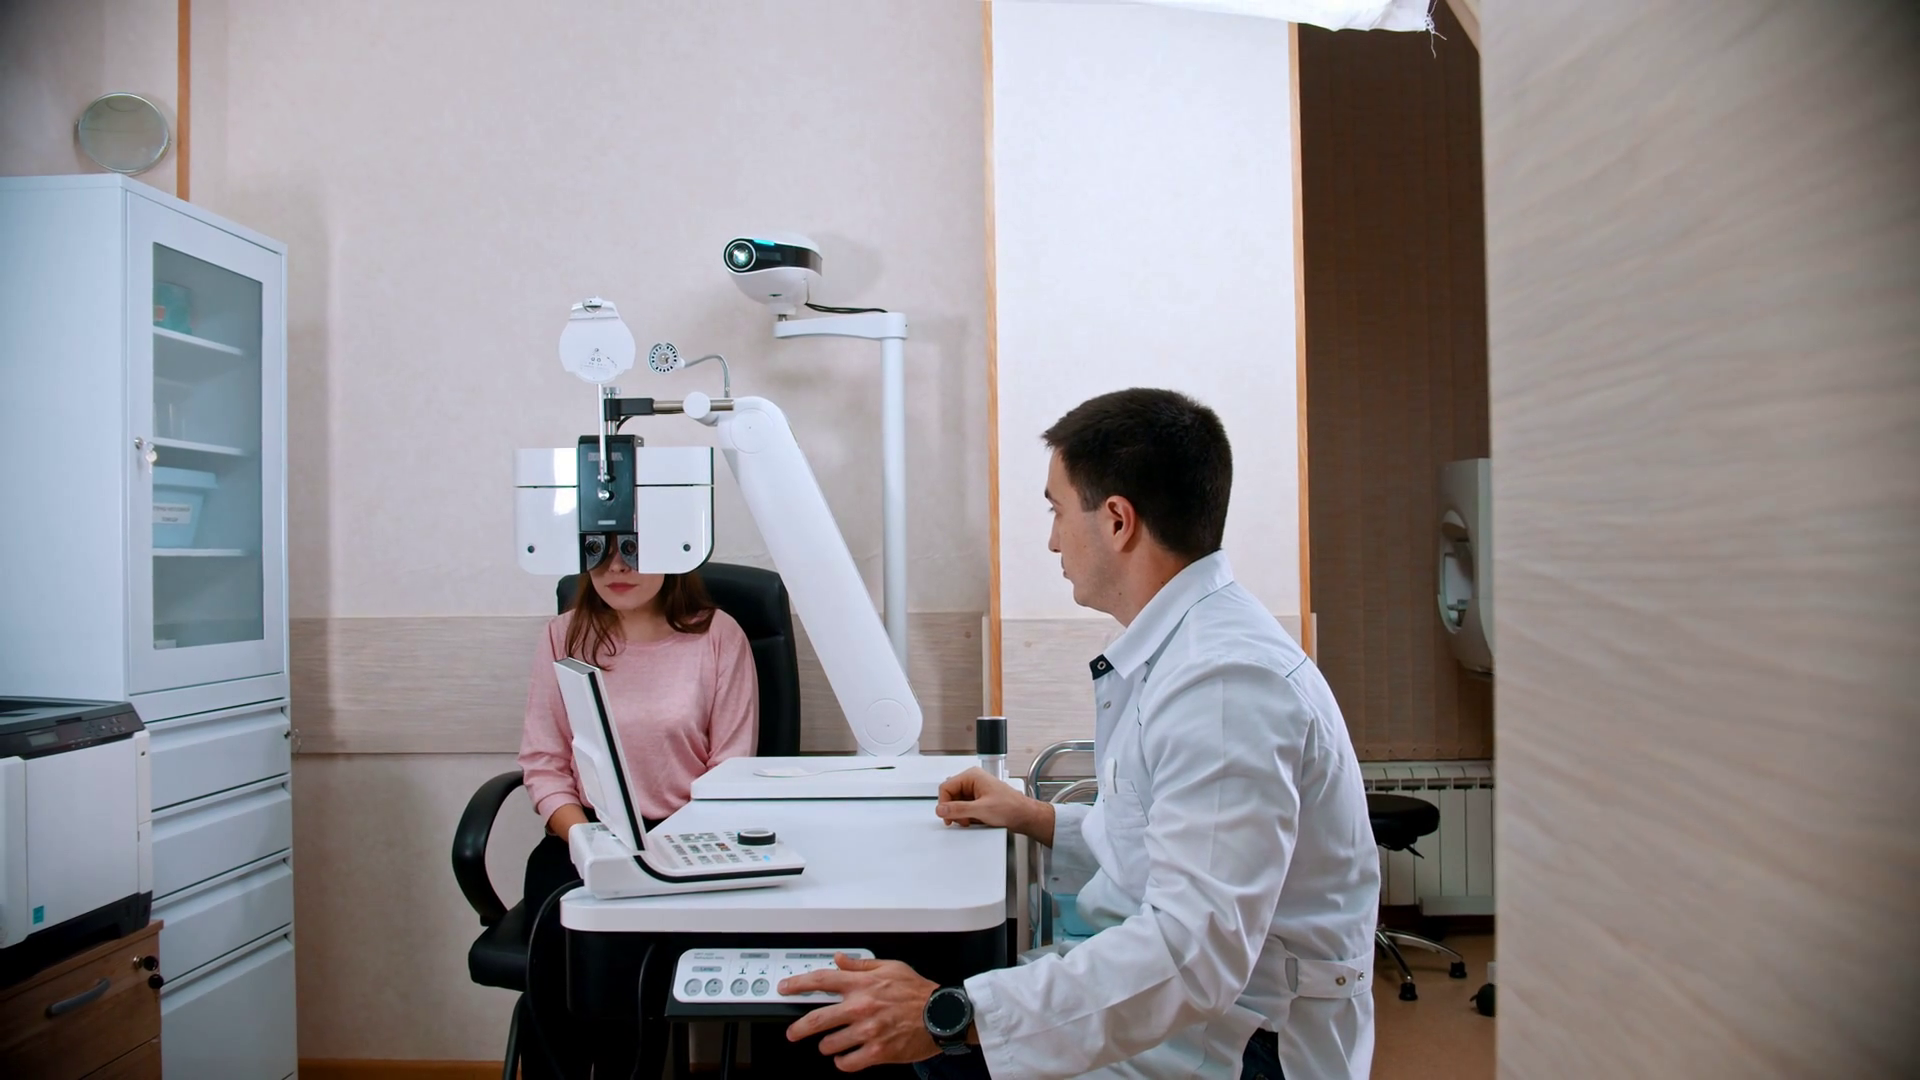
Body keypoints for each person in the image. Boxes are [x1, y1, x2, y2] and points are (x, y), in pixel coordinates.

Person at [778, 389, 1380, 1079]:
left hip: (1242, 1044)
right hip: (1200, 1010)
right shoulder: (1185, 651)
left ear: (1118, 521)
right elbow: (1158, 846)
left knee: (893, 1049)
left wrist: (952, 1015)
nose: (1053, 539)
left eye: (1057, 511)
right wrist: (1033, 816)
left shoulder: (1223, 684)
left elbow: (1193, 955)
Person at [514, 542, 760, 1078]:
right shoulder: (563, 635)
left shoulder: (719, 636)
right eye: (599, 551)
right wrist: (583, 840)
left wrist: (658, 852)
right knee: (555, 953)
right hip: (582, 835)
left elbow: (730, 769)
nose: (616, 567)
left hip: (682, 841)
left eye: (634, 549)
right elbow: (544, 763)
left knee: (626, 964)